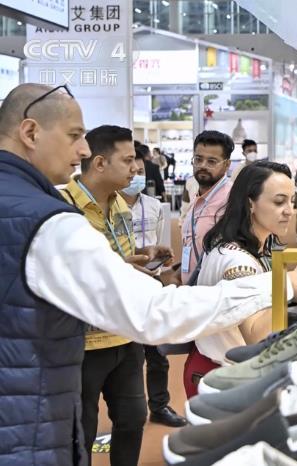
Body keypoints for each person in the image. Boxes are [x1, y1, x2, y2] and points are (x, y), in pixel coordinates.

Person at [0, 83, 297, 465]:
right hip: (27, 426)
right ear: (31, 132)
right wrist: (282, 285)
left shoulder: (28, 208)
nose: (83, 151)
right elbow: (153, 312)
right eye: (74, 136)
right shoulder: (48, 221)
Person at [58, 125, 151, 466]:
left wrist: (144, 257)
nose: (135, 169)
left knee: (133, 418)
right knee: (81, 428)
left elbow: (120, 258)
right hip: (82, 342)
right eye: (127, 160)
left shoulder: (120, 205)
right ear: (99, 163)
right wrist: (116, 269)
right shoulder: (62, 208)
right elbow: (59, 274)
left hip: (125, 334)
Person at [185, 161, 295, 397]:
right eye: (279, 202)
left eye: (291, 201)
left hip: (217, 367)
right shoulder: (239, 262)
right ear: (250, 203)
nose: (289, 210)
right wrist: (291, 286)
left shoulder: (235, 246)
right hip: (223, 375)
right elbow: (255, 335)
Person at [126, 143, 188, 428]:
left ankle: (160, 406)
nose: (135, 174)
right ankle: (130, 411)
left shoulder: (153, 206)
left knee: (158, 353)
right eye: (131, 169)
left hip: (152, 283)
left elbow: (160, 242)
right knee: (128, 357)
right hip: (123, 284)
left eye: (140, 170)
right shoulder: (110, 207)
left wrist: (163, 270)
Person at [180, 131, 235, 284]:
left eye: (211, 161)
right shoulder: (197, 196)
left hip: (215, 291)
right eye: (198, 159)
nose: (203, 166)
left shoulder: (232, 199)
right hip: (192, 289)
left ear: (226, 165)